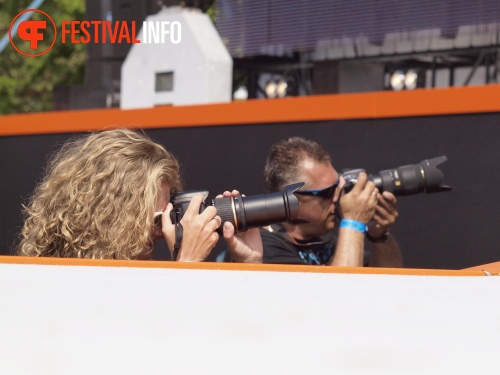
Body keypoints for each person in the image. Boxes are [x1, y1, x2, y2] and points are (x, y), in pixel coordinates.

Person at [17, 129, 262, 263]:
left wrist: (250, 265)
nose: (161, 231)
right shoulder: (54, 279)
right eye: (156, 218)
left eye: (167, 216)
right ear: (108, 214)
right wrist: (187, 264)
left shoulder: (140, 277)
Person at [261, 137, 403, 267]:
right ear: (291, 201)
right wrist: (353, 222)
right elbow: (336, 291)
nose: (338, 198)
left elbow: (390, 282)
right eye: (327, 192)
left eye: (338, 187)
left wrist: (379, 235)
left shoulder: (325, 241)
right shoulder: (264, 248)